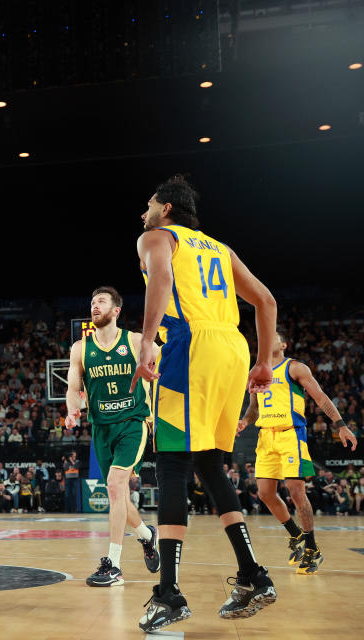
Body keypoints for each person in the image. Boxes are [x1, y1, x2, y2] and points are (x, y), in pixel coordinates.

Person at [131, 176, 278, 631]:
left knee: (172, 464)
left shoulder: (157, 237)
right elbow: (266, 301)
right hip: (232, 351)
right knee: (211, 465)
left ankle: (169, 593)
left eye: (149, 205)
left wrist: (148, 341)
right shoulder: (220, 249)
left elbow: (161, 277)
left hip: (190, 345)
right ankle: (252, 574)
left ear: (167, 209)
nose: (143, 213)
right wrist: (263, 363)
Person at [238, 330, 357, 574]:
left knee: (295, 491)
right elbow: (253, 408)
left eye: (272, 335)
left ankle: (312, 547)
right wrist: (244, 422)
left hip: (291, 434)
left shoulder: (294, 367)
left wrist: (341, 425)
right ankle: (295, 535)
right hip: (266, 437)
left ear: (283, 344)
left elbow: (320, 397)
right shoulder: (256, 372)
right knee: (265, 493)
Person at [65, 286, 161, 587]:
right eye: (92, 302)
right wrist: (72, 411)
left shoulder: (134, 341)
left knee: (116, 484)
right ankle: (146, 535)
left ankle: (113, 566)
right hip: (101, 427)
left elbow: (167, 361)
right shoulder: (80, 348)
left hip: (133, 422)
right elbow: (72, 387)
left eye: (101, 302)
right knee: (115, 493)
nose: (95, 306)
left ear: (116, 310)